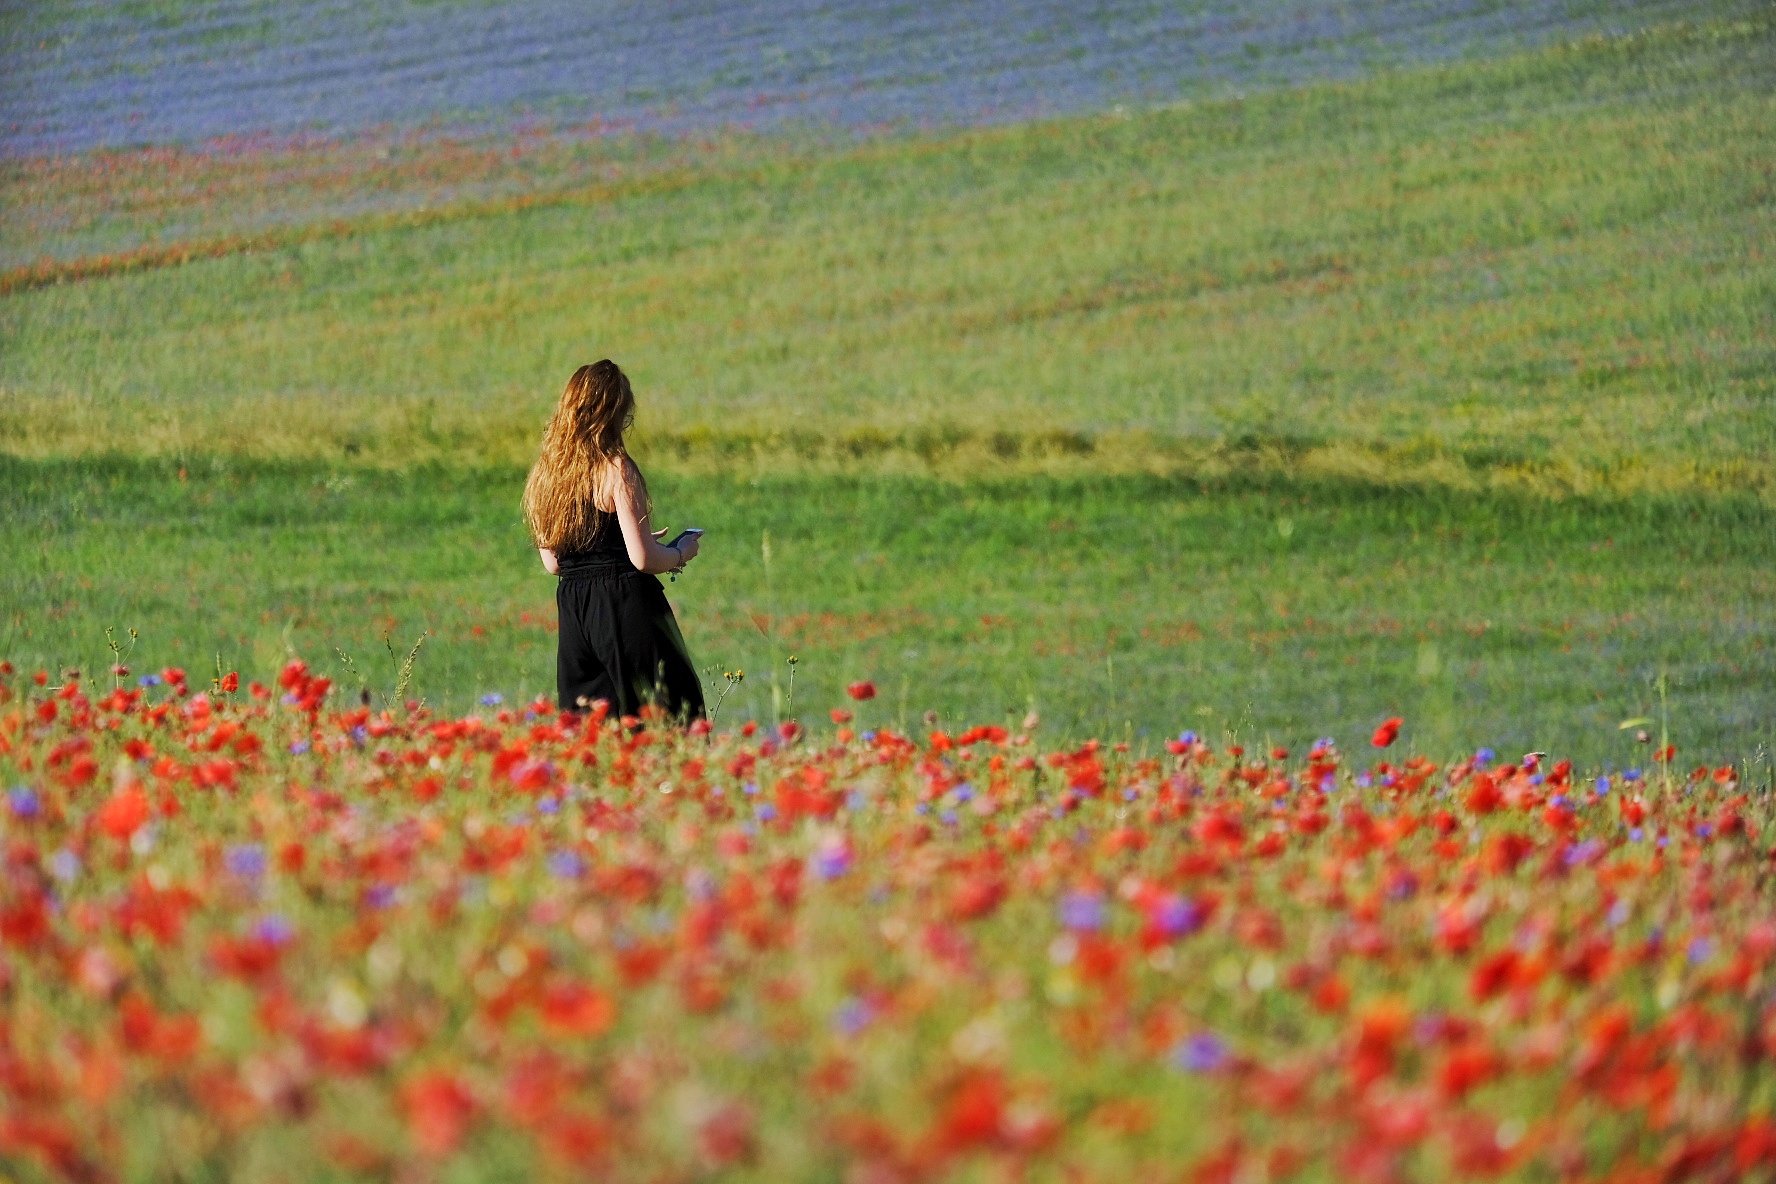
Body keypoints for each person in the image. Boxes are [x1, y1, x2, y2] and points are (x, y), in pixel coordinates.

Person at [522, 360, 706, 720]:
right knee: (670, 711)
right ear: (615, 412)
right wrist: (680, 552)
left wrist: (617, 543)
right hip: (623, 604)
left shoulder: (547, 474)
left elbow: (554, 562)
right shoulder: (615, 467)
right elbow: (643, 560)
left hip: (575, 611)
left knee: (591, 721)